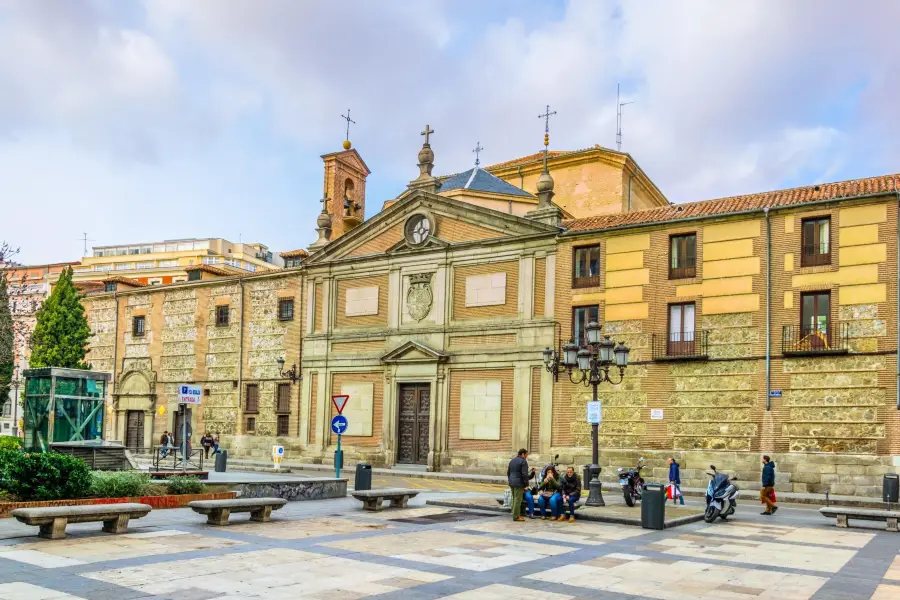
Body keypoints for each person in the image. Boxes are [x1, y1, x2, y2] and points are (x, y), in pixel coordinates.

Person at [507, 449, 536, 522]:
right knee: (518, 499)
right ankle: (516, 516)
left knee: (514, 498)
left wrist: (510, 480)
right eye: (526, 454)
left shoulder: (512, 461)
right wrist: (526, 484)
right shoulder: (523, 461)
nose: (526, 456)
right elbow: (524, 475)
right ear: (522, 454)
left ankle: (514, 513)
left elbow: (508, 472)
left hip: (512, 482)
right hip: (519, 483)